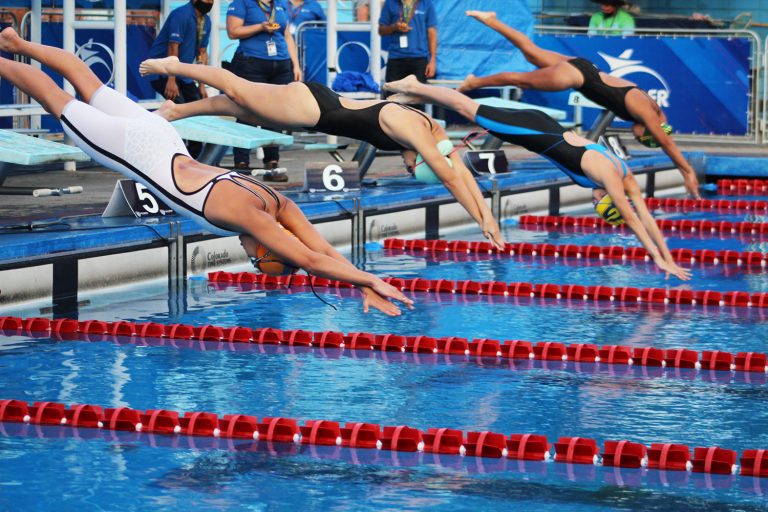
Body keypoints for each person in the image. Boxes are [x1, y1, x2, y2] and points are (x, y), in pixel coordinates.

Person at [0, 27, 413, 316]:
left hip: (161, 136)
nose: (252, 263)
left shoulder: (272, 201)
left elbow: (317, 249)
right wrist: (370, 282)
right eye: (260, 264)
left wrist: (361, 281)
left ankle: (15, 41)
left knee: (85, 79)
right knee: (53, 96)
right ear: (269, 251)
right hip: (133, 149)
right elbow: (308, 257)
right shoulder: (246, 218)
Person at [138, 56, 505, 249]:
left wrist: (486, 218)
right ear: (424, 156)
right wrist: (479, 217)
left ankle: (177, 112)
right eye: (414, 169)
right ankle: (174, 66)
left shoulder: (432, 132)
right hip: (312, 108)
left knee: (242, 110)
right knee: (238, 90)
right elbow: (447, 173)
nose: (409, 169)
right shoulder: (411, 129)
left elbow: (459, 171)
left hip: (315, 109)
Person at [383, 75, 692, 281]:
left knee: (467, 108)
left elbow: (646, 217)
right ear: (607, 198)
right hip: (533, 131)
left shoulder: (625, 176)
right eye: (597, 203)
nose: (593, 199)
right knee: (465, 106)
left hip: (540, 130)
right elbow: (634, 220)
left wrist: (667, 257)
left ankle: (414, 93)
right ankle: (415, 87)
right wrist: (657, 258)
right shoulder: (610, 175)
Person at [457, 11, 699, 199]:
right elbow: (666, 140)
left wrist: (663, 128)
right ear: (647, 129)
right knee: (520, 80)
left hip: (585, 67)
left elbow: (664, 128)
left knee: (532, 53)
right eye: (641, 137)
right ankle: (474, 82)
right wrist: (687, 171)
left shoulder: (650, 106)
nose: (635, 136)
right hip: (578, 77)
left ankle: (492, 21)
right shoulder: (645, 111)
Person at [226, 0, 302, 178]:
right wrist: (260, 27)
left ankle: (272, 163)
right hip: (252, 62)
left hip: (280, 63)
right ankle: (242, 162)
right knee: (247, 112)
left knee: (275, 115)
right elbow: (233, 32)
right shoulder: (242, 3)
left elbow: (287, 35)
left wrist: (295, 64)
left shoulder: (280, 3)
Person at [144, 0, 213, 157]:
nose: (209, 2)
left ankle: (194, 155)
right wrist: (171, 79)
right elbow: (173, 47)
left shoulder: (206, 21)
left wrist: (202, 86)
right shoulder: (181, 15)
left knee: (198, 108)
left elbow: (202, 53)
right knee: (179, 109)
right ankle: (167, 152)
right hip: (162, 71)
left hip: (184, 75)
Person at [378, 0, 437, 106]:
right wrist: (394, 27)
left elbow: (432, 32)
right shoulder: (390, 3)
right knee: (392, 101)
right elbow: (381, 30)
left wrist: (432, 60)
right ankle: (392, 122)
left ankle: (416, 122)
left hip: (419, 59)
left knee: (418, 100)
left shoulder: (426, 3)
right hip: (396, 58)